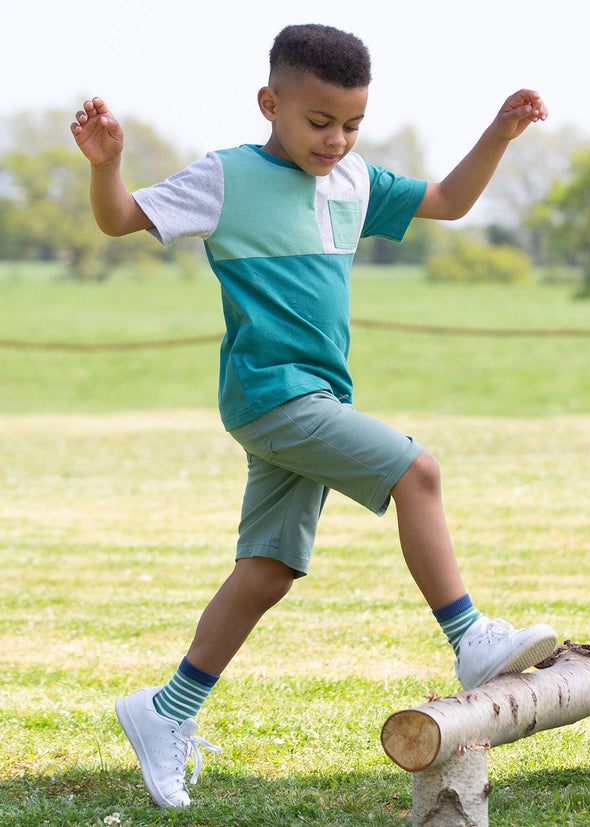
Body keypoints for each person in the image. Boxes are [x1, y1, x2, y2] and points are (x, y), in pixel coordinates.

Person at [71, 23, 557, 809]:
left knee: (267, 570)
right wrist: (108, 165)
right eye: (319, 122)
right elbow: (119, 218)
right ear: (271, 103)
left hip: (315, 400)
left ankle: (167, 710)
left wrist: (498, 133)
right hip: (272, 394)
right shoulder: (227, 178)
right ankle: (470, 637)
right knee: (416, 470)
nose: (336, 140)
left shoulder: (354, 181)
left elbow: (450, 201)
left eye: (352, 125)